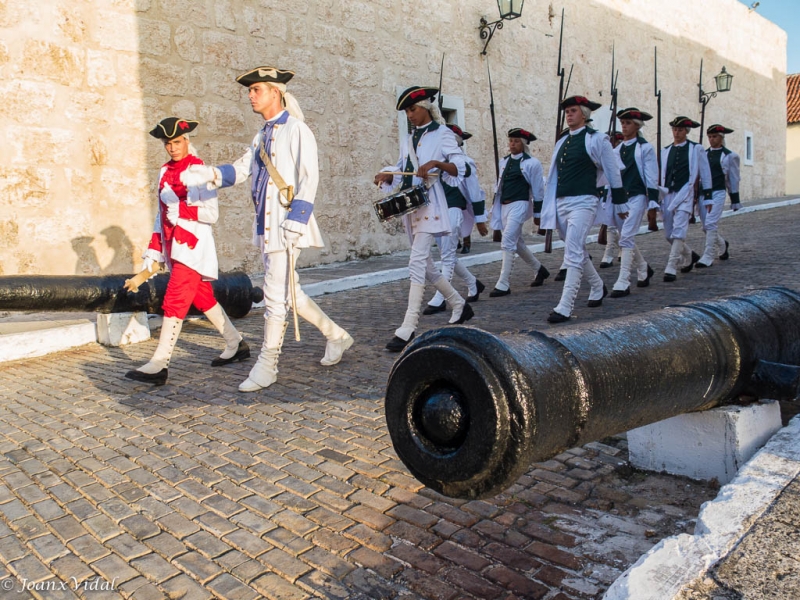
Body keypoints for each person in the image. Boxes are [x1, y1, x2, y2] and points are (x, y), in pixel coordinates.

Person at [181, 67, 353, 392]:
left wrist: (297, 220)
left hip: (287, 224)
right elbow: (242, 170)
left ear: (275, 91)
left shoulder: (297, 130)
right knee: (291, 292)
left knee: (274, 297)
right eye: (250, 91)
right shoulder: (261, 135)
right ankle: (336, 335)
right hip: (266, 224)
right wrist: (207, 174)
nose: (251, 95)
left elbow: (309, 177)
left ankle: (267, 365)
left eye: (256, 89)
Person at [125, 118, 249, 386]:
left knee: (175, 299)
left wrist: (179, 209)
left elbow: (211, 215)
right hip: (173, 247)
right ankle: (236, 343)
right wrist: (154, 249)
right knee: (202, 298)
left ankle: (159, 364)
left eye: (177, 142)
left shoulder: (199, 171)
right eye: (168, 143)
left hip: (193, 248)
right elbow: (161, 214)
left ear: (187, 141)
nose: (173, 148)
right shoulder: (163, 171)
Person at [374, 86, 473, 351]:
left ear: (427, 108)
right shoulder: (409, 138)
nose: (410, 115)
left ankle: (408, 326)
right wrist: (388, 174)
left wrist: (437, 165)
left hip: (431, 202)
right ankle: (459, 304)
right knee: (427, 265)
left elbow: (461, 166)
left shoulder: (443, 134)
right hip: (412, 204)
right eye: (407, 111)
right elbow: (403, 166)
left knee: (417, 261)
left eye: (413, 109)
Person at [541, 96, 626, 323]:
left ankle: (565, 306)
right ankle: (598, 286)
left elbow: (612, 170)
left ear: (584, 114)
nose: (569, 115)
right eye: (567, 111)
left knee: (572, 251)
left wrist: (620, 203)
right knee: (575, 248)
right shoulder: (562, 142)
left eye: (573, 111)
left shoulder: (597, 139)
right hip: (561, 202)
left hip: (585, 201)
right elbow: (553, 177)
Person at [423, 124, 487, 314]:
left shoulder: (465, 162)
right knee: (447, 253)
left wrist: (480, 219)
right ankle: (473, 283)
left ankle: (442, 296)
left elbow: (475, 191)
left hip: (453, 210)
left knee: (448, 255)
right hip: (436, 212)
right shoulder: (433, 161)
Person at [488, 128, 548, 297]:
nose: (512, 144)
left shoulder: (532, 163)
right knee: (517, 242)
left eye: (515, 141)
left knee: (507, 240)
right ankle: (539, 269)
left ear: (523, 143)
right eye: (510, 141)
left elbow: (537, 190)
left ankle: (503, 283)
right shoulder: (504, 162)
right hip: (504, 205)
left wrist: (538, 215)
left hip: (520, 204)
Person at [607, 108, 659, 296]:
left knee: (627, 236)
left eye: (628, 123)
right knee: (625, 236)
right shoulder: (616, 149)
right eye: (622, 123)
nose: (624, 126)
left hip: (637, 196)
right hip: (621, 199)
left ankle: (623, 281)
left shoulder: (645, 148)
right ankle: (644, 267)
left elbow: (652, 176)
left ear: (636, 126)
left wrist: (652, 203)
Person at [660, 116, 712, 281]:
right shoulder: (665, 150)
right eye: (675, 129)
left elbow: (705, 172)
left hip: (686, 192)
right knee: (669, 234)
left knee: (679, 230)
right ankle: (689, 254)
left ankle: (671, 266)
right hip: (667, 193)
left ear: (686, 131)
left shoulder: (696, 149)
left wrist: (708, 197)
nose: (677, 133)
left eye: (680, 130)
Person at [697, 124, 740, 267]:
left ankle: (708, 256)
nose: (711, 139)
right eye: (709, 137)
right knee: (706, 226)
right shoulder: (703, 153)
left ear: (721, 138)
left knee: (710, 223)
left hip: (718, 191)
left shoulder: (729, 156)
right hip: (704, 193)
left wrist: (735, 199)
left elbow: (733, 178)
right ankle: (722, 244)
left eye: (714, 136)